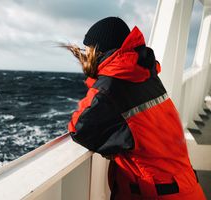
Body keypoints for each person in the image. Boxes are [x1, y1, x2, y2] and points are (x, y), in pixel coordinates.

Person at [65, 17, 206, 200]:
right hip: (184, 186)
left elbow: (79, 128)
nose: (85, 55)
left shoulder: (111, 86)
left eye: (88, 50)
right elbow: (135, 126)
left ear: (98, 52)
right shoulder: (144, 74)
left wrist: (97, 81)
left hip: (158, 195)